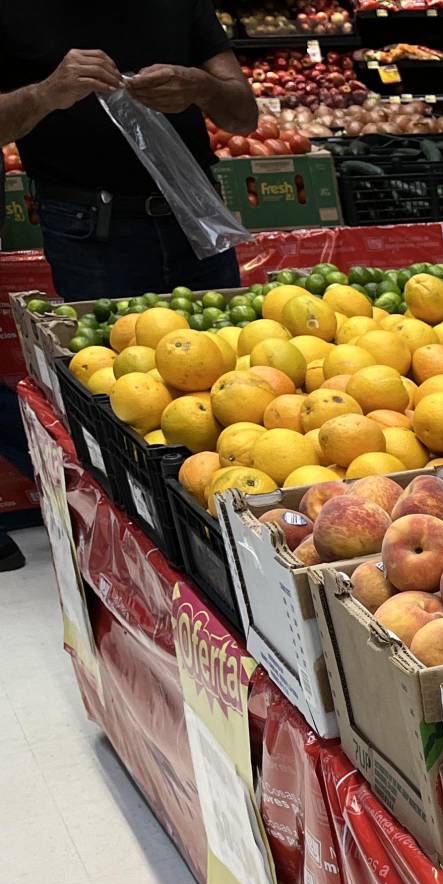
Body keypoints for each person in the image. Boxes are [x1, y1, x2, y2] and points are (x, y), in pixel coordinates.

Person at [0, 6, 257, 572]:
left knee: (240, 382)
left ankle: (236, 551)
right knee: (119, 403)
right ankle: (144, 564)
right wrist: (47, 93)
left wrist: (199, 87)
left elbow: (244, 115)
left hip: (195, 218)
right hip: (90, 228)